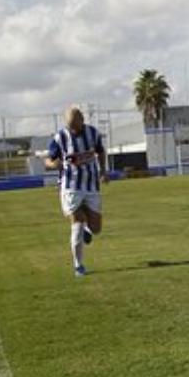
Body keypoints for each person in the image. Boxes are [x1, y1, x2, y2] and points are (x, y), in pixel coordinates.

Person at [45, 106, 108, 277]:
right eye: (70, 125)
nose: (74, 129)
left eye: (76, 124)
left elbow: (100, 152)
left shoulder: (93, 133)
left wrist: (103, 171)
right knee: (77, 224)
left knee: (96, 228)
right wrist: (53, 164)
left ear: (82, 119)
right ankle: (78, 266)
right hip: (70, 187)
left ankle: (89, 230)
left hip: (91, 186)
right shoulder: (60, 138)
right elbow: (48, 160)